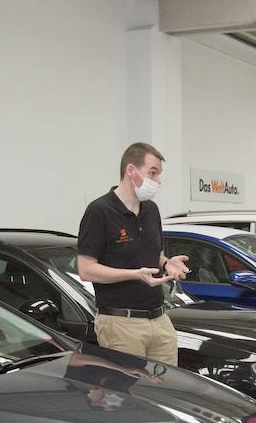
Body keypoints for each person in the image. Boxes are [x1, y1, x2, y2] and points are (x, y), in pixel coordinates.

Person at [76, 142, 189, 365]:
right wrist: (135, 274)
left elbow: (153, 253)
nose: (157, 181)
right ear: (131, 171)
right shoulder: (100, 211)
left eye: (159, 175)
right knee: (130, 397)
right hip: (121, 323)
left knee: (168, 392)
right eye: (152, 173)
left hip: (159, 319)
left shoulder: (151, 210)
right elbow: (86, 270)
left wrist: (166, 263)